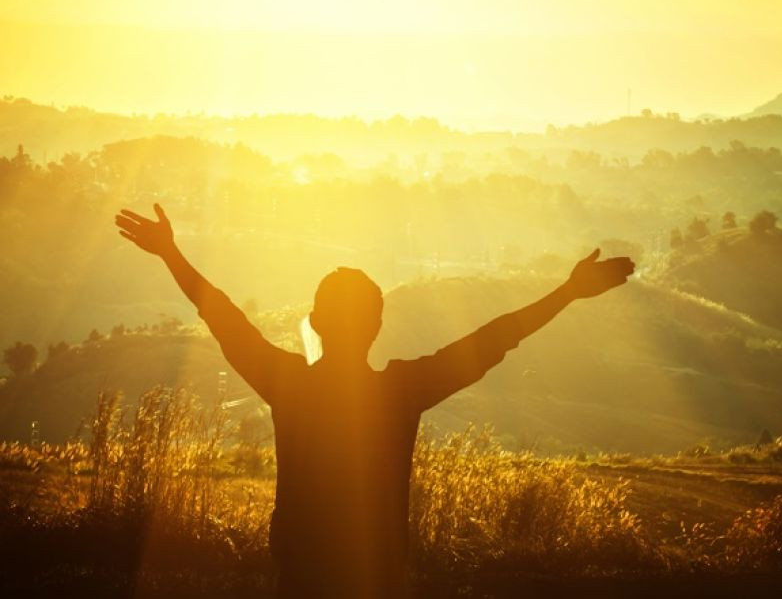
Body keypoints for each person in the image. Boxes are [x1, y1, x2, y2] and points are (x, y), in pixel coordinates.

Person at [115, 204, 635, 597]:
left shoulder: (289, 384)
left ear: (315, 323)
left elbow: (223, 317)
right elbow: (495, 339)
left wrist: (172, 254)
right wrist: (566, 293)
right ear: (378, 326)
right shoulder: (399, 392)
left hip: (300, 579)